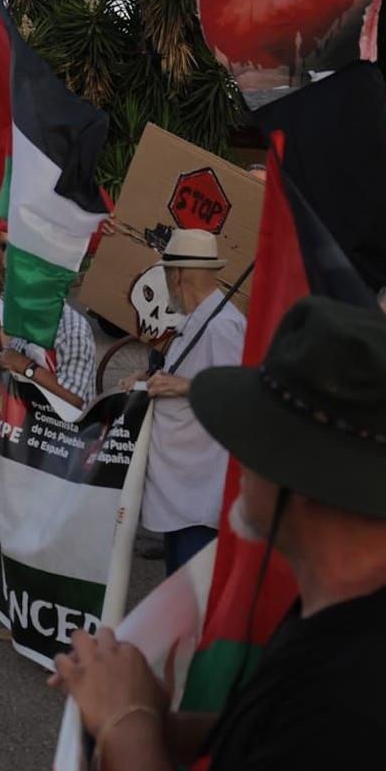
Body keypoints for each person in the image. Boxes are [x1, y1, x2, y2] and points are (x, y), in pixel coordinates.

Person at [48, 295, 386, 771]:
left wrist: (126, 725)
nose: (236, 459)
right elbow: (274, 735)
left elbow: (315, 736)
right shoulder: (383, 587)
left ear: (304, 479)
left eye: (254, 436)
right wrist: (155, 718)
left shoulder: (368, 697)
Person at [123, 231, 247, 573]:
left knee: (191, 600)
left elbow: (239, 394)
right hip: (181, 484)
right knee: (178, 590)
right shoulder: (197, 319)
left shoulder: (222, 326)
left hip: (200, 489)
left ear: (175, 276)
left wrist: (185, 385)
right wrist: (148, 379)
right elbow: (182, 378)